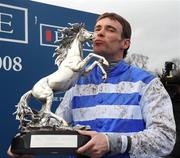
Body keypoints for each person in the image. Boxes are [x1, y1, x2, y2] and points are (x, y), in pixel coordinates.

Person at [8, 12, 176, 158]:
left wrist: (112, 143)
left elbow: (165, 138)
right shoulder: (75, 85)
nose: (100, 33)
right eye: (97, 29)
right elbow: (58, 130)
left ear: (125, 43)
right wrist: (27, 144)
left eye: (110, 29)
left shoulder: (147, 83)